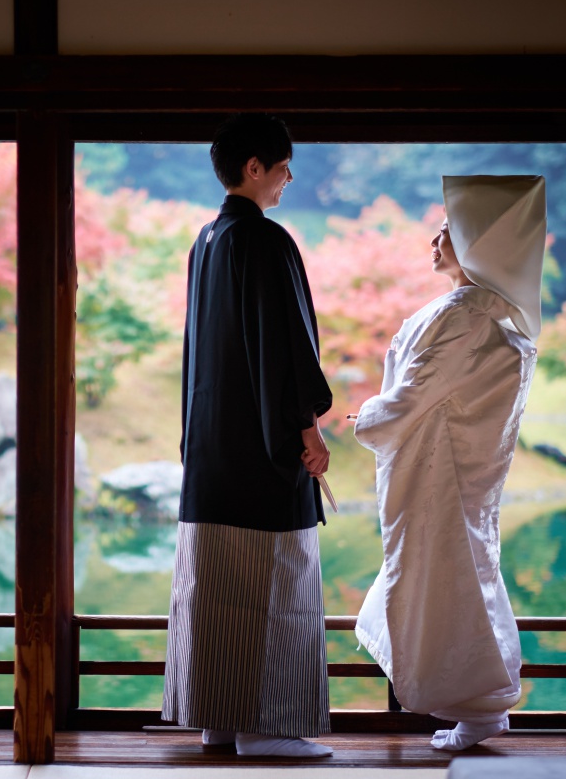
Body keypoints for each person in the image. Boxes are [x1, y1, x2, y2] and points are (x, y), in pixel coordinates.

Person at [352, 175, 547, 751]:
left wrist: (363, 419)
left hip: (438, 469)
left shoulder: (463, 312)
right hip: (452, 466)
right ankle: (478, 706)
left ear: (477, 244)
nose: (434, 238)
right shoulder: (486, 310)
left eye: (447, 230)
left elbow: (413, 394)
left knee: (445, 576)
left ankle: (480, 709)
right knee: (459, 573)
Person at [161, 113, 335, 759]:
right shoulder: (265, 241)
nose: (290, 176)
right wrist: (307, 429)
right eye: (283, 164)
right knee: (275, 588)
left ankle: (220, 722)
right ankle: (269, 727)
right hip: (261, 457)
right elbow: (285, 349)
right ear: (254, 167)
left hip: (211, 456)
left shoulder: (206, 242)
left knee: (216, 593)